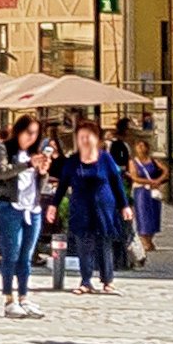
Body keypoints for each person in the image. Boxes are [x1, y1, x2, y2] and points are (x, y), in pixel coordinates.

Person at [57, 121, 131, 292]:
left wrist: (124, 205)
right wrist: (54, 205)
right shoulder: (73, 161)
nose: (84, 140)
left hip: (103, 207)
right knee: (84, 243)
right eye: (81, 137)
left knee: (104, 242)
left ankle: (108, 280)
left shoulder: (105, 158)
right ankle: (85, 281)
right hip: (81, 208)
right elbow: (63, 184)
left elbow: (116, 182)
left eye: (87, 137)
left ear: (96, 139)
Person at [0, 133, 51, 311]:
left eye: (35, 133)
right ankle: (9, 299)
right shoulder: (4, 150)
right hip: (11, 207)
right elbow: (2, 172)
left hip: (32, 208)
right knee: (11, 254)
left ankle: (24, 297)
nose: (31, 137)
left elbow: (40, 184)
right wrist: (27, 164)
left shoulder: (36, 153)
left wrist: (43, 172)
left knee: (26, 257)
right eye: (28, 132)